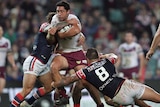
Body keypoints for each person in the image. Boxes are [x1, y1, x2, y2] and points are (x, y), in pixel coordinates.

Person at [51, 48, 160, 106]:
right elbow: (114, 56)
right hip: (127, 85)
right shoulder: (107, 60)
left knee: (109, 100)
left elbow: (68, 80)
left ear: (87, 60)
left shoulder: (84, 71)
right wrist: (102, 56)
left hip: (119, 98)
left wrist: (55, 84)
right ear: (98, 57)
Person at [49, 1, 103, 107]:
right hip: (63, 53)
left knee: (86, 81)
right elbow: (53, 36)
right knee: (54, 67)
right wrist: (65, 25)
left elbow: (72, 32)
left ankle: (99, 104)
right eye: (57, 11)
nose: (59, 14)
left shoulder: (74, 18)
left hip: (76, 53)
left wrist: (59, 32)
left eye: (62, 11)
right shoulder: (55, 19)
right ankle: (63, 95)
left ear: (68, 12)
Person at [10, 12, 58, 107]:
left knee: (49, 87)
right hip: (35, 61)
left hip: (43, 64)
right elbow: (46, 28)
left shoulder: (57, 36)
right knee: (27, 90)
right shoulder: (46, 25)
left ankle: (28, 103)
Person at [0, 25, 17, 102]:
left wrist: (13, 64)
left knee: (1, 89)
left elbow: (9, 55)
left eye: (1, 30)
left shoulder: (6, 42)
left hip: (2, 68)